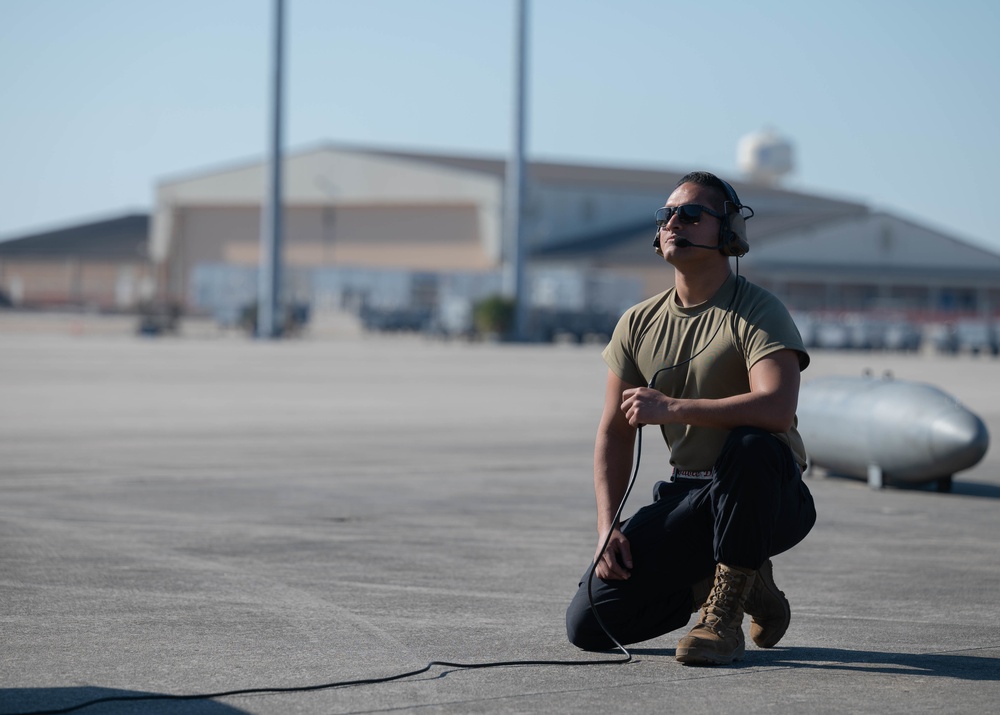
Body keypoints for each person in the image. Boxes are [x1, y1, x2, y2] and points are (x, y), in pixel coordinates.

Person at [565, 171, 816, 665]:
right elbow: (615, 432)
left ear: (727, 232)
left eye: (691, 214)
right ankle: (746, 583)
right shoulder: (638, 322)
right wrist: (607, 526)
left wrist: (673, 409)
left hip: (770, 495)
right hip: (690, 495)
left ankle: (722, 618)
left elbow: (776, 408)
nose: (674, 222)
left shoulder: (758, 310)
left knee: (752, 445)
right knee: (589, 623)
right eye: (667, 215)